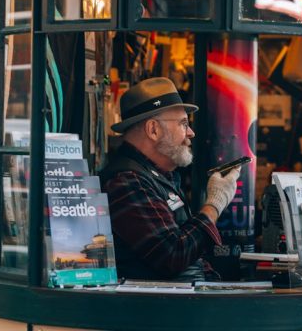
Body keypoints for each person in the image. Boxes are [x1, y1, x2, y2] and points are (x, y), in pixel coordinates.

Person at [100, 77, 241, 282]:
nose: (191, 133)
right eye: (184, 124)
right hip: (160, 309)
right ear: (153, 130)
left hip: (183, 302)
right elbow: (173, 255)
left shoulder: (157, 177)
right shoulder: (126, 181)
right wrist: (214, 204)